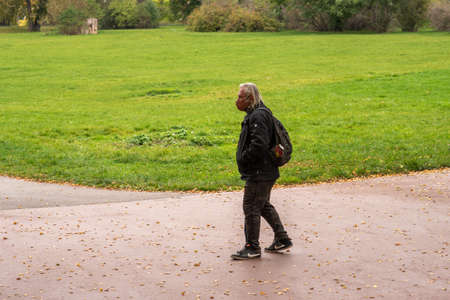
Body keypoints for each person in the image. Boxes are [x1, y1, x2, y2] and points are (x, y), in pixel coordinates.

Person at [231, 83, 292, 260]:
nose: (237, 101)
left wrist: (244, 159)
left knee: (251, 206)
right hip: (265, 170)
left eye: (240, 97)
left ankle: (252, 247)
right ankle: (282, 238)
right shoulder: (259, 113)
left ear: (250, 99)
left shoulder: (258, 116)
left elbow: (259, 145)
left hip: (260, 171)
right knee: (262, 204)